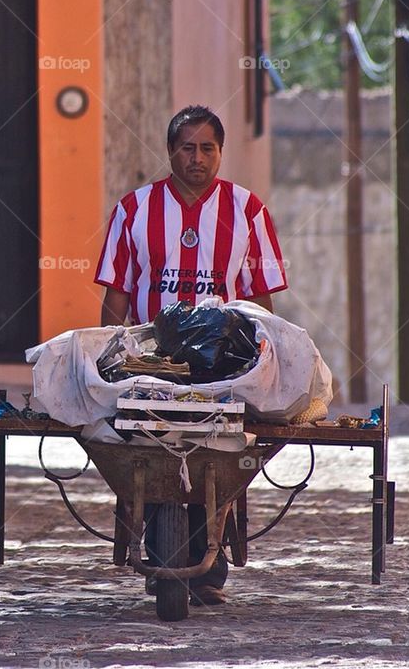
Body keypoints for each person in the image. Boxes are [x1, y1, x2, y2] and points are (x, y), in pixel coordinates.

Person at [94, 105, 288, 605]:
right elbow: (115, 297)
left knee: (218, 454)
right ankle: (166, 551)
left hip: (219, 366)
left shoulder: (248, 211)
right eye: (187, 148)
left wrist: (265, 359)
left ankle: (208, 560)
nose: (197, 159)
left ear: (221, 153)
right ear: (170, 151)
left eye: (207, 149)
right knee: (145, 448)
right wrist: (107, 361)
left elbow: (260, 301)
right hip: (147, 363)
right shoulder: (133, 210)